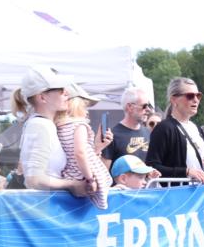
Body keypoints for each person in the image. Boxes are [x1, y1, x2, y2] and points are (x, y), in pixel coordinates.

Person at [12, 65, 90, 196]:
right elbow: (34, 180)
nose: (66, 93)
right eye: (60, 89)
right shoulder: (40, 125)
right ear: (42, 97)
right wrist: (72, 185)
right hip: (43, 206)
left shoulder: (43, 124)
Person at [145, 77, 204, 184]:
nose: (196, 100)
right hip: (176, 194)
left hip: (199, 193)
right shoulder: (163, 128)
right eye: (190, 96)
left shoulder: (197, 128)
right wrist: (186, 172)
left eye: (198, 95)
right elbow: (151, 166)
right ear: (174, 100)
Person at [56, 89, 113, 208]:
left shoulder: (59, 127)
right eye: (85, 106)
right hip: (83, 175)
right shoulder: (79, 126)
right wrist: (90, 179)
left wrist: (97, 148)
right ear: (76, 106)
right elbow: (80, 153)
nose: (87, 111)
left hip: (69, 174)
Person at [101, 86, 153, 171]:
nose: (148, 110)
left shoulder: (148, 133)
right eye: (144, 106)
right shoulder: (112, 136)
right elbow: (104, 172)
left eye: (149, 105)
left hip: (145, 184)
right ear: (130, 107)